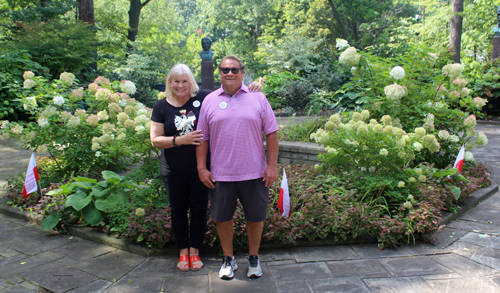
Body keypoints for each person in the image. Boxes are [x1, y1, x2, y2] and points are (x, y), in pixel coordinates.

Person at [150, 64, 262, 272]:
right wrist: (181, 140)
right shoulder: (161, 106)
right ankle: (183, 252)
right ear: (170, 83)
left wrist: (252, 87)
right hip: (173, 169)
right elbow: (155, 140)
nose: (180, 85)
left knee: (200, 209)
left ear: (191, 82)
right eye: (176, 81)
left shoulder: (203, 98)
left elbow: (231, 91)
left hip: (201, 168)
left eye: (185, 81)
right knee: (178, 210)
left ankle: (195, 251)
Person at [196, 55, 279, 279]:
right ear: (220, 74)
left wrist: (272, 167)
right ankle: (228, 259)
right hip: (221, 174)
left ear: (242, 72)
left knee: (256, 218)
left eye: (234, 70)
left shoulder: (258, 98)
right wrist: (202, 169)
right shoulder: (210, 101)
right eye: (225, 70)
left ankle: (253, 258)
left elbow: (271, 133)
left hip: (255, 173)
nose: (229, 73)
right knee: (222, 218)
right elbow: (202, 139)